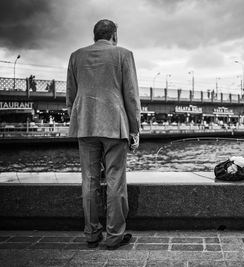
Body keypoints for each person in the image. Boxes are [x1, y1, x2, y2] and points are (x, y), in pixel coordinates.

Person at [66, 19, 141, 250]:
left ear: (95, 35)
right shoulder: (124, 55)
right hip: (114, 126)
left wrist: (78, 119)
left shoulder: (75, 56)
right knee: (115, 179)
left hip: (86, 125)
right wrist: (135, 129)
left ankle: (91, 233)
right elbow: (131, 96)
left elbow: (70, 95)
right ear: (114, 35)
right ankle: (114, 236)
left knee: (88, 180)